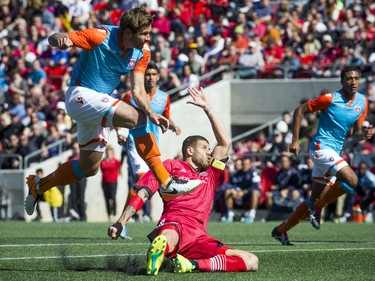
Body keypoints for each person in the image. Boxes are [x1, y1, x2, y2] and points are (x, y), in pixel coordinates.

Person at [24, 6, 200, 216]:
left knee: (88, 167)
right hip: (79, 95)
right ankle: (166, 181)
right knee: (136, 117)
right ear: (127, 32)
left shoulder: (143, 51)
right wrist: (61, 39)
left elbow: (137, 90)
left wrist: (152, 113)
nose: (147, 38)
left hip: (97, 107)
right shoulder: (100, 36)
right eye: (144, 34)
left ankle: (38, 186)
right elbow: (56, 38)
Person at [108, 87, 259, 275]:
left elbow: (224, 144)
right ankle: (160, 251)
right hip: (174, 224)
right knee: (167, 236)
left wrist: (208, 108)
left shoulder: (211, 172)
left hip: (199, 237)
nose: (209, 152)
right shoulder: (170, 166)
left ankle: (191, 265)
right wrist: (121, 222)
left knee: (251, 261)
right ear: (190, 151)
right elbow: (144, 192)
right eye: (204, 148)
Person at [272, 65, 373, 245]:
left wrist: (364, 135)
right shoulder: (330, 98)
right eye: (349, 78)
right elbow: (299, 110)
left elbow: (355, 134)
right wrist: (295, 140)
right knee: (352, 181)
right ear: (342, 81)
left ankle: (281, 230)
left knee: (313, 198)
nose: (353, 82)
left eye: (356, 78)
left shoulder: (362, 102)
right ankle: (318, 207)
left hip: (334, 152)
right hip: (320, 148)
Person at [118, 62, 181, 224]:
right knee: (142, 178)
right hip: (135, 142)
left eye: (154, 74)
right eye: (147, 74)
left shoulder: (164, 98)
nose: (151, 77)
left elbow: (166, 117)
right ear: (142, 77)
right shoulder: (130, 97)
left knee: (149, 182)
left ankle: (125, 220)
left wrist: (174, 126)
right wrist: (120, 131)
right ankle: (124, 221)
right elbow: (118, 115)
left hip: (153, 145)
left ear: (158, 77)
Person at [100, 144, 121, 221]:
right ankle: (109, 214)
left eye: (110, 151)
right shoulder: (103, 161)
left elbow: (118, 169)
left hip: (113, 182)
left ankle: (114, 213)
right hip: (105, 182)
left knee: (113, 198)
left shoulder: (116, 161)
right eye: (107, 151)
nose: (109, 153)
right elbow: (102, 169)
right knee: (107, 199)